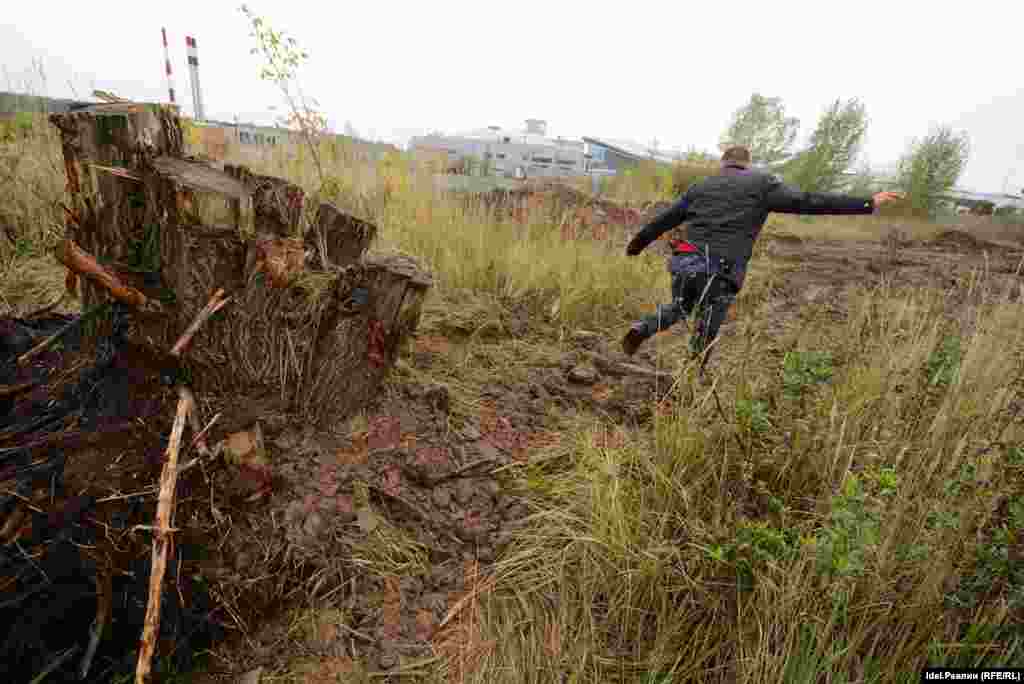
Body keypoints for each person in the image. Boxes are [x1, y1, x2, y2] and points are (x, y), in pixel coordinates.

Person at [621, 145, 904, 370]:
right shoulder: (761, 184)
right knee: (706, 330)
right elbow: (809, 201)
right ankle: (690, 380)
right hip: (721, 270)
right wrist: (867, 202)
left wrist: (636, 245)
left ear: (723, 163)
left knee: (681, 306)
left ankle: (643, 328)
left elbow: (665, 219)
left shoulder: (701, 186)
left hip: (685, 261)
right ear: (748, 164)